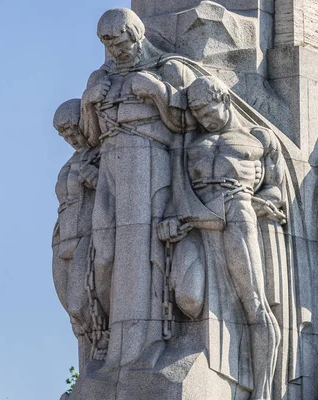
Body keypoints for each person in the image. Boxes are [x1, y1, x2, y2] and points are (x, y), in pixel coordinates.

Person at [79, 8, 197, 370]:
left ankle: (141, 348)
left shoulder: (170, 69)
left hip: (149, 161)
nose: (115, 48)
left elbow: (191, 123)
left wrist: (160, 93)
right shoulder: (101, 76)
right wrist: (88, 102)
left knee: (139, 253)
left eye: (119, 39)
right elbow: (92, 139)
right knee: (106, 256)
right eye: (107, 42)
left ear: (137, 34)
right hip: (111, 166)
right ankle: (113, 342)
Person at [157, 76, 285, 400]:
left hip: (237, 214)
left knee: (254, 303)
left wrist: (262, 201)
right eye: (196, 112)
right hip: (195, 219)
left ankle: (263, 390)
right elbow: (177, 190)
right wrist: (170, 221)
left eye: (206, 109)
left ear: (224, 100)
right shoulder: (190, 144)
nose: (202, 117)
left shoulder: (259, 139)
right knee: (187, 297)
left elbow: (276, 189)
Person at [51, 99, 105, 370]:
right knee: (71, 311)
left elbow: (113, 191)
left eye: (73, 130)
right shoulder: (71, 161)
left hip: (88, 233)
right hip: (63, 236)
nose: (71, 138)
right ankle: (87, 369)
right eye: (64, 135)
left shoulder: (102, 151)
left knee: (80, 304)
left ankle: (101, 354)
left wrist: (93, 176)